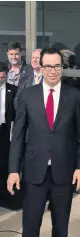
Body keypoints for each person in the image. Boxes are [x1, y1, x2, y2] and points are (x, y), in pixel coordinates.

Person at [7, 48, 80, 237]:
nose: (53, 71)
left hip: (64, 172)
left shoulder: (75, 96)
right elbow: (18, 136)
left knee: (61, 228)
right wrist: (13, 171)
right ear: (41, 67)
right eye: (48, 66)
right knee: (31, 226)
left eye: (57, 66)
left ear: (62, 67)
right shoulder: (28, 95)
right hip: (34, 171)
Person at [0, 62, 17, 197]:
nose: (0, 80)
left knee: (5, 158)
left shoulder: (13, 89)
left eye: (2, 77)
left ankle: (4, 188)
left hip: (6, 129)